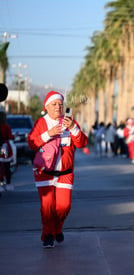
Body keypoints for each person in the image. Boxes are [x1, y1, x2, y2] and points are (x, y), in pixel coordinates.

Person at [27, 91, 88, 248]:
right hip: (44, 172)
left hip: (65, 174)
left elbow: (82, 143)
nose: (58, 107)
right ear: (46, 106)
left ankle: (56, 228)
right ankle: (48, 234)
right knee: (47, 207)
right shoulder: (41, 123)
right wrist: (49, 134)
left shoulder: (69, 122)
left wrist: (73, 128)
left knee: (64, 206)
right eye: (54, 104)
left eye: (60, 104)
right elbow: (32, 143)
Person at [0, 111, 14, 192]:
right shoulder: (6, 126)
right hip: (5, 146)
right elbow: (10, 137)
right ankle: (8, 183)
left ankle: (1, 183)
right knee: (7, 166)